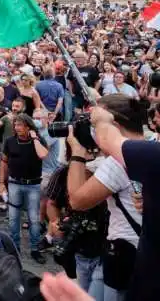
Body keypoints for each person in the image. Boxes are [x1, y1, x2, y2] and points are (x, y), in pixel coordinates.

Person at [67, 94, 145, 301]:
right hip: (137, 249)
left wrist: (77, 151)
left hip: (126, 252)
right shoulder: (150, 146)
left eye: (94, 123)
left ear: (114, 126)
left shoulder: (118, 163)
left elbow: (77, 200)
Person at [0, 113, 49, 264]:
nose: (16, 128)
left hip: (33, 184)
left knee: (34, 219)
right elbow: (4, 162)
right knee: (14, 219)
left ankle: (35, 249)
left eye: (20, 125)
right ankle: (15, 249)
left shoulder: (38, 141)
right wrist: (2, 183)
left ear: (29, 127)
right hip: (14, 183)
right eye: (15, 125)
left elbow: (43, 155)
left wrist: (34, 138)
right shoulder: (10, 141)